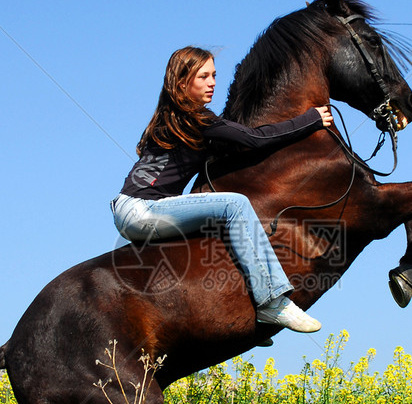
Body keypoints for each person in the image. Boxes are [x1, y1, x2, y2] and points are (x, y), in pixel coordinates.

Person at [111, 46, 333, 333]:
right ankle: (273, 302)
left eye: (214, 75)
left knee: (218, 226)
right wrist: (310, 119)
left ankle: (242, 310)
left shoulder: (172, 117)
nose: (212, 82)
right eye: (203, 76)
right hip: (141, 210)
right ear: (182, 84)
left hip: (130, 211)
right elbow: (254, 139)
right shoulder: (195, 119)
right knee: (234, 205)